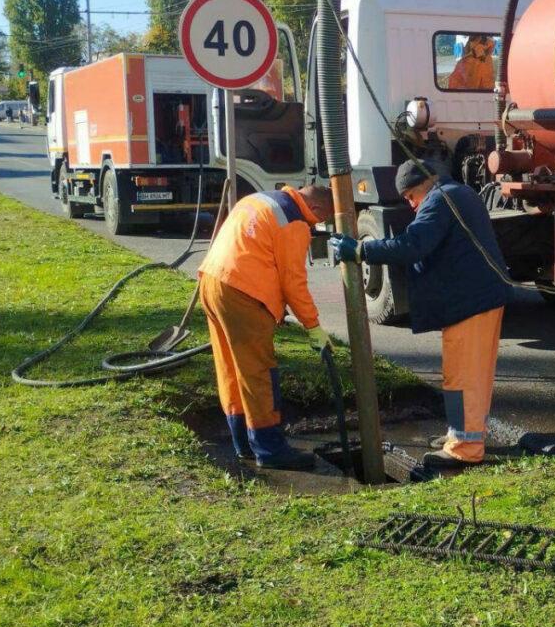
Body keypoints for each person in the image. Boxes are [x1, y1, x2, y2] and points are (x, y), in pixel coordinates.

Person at [331, 160, 507, 472]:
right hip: (478, 298)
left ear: (422, 185)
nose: (411, 205)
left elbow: (414, 245)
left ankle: (465, 449)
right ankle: (460, 435)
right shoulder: (459, 193)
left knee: (463, 377)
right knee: (469, 375)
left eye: (410, 197)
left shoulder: (439, 200)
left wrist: (361, 251)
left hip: (470, 302)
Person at [199, 183, 334, 470]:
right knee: (259, 372)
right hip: (242, 294)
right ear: (318, 208)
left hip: (212, 281)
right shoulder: (294, 221)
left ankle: (244, 444)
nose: (318, 225)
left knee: (232, 370)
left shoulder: (260, 200)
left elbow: (256, 253)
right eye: (322, 220)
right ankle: (270, 450)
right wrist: (313, 327)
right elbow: (293, 282)